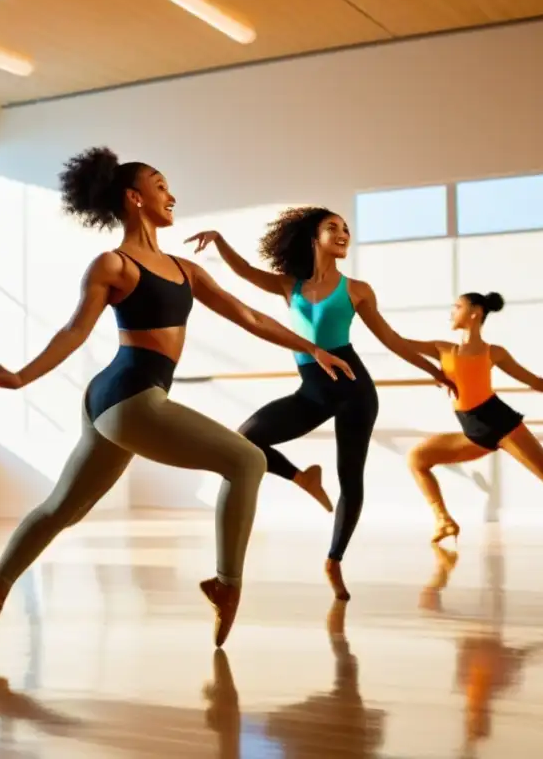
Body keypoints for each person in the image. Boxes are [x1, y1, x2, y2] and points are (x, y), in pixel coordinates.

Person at [0, 147, 356, 650]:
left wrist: (312, 348)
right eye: (161, 185)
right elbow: (73, 331)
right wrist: (20, 375)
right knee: (246, 461)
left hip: (120, 400)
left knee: (63, 507)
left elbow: (248, 315)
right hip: (129, 398)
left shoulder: (184, 269)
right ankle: (225, 583)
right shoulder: (113, 264)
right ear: (134, 198)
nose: (172, 196)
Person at [187, 213, 455, 600]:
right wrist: (219, 239)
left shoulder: (357, 290)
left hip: (353, 390)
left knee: (351, 479)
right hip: (311, 391)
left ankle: (334, 560)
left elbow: (391, 339)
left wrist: (434, 370)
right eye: (334, 227)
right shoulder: (288, 285)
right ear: (313, 236)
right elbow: (244, 271)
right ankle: (302, 478)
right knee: (246, 438)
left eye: (347, 229)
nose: (344, 234)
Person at [403, 291, 543, 549]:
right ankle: (443, 520)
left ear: (475, 312)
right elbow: (395, 341)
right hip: (473, 432)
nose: (451, 312)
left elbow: (533, 381)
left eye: (457, 306)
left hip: (502, 424)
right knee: (417, 458)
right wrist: (363, 310)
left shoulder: (494, 353)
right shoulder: (441, 348)